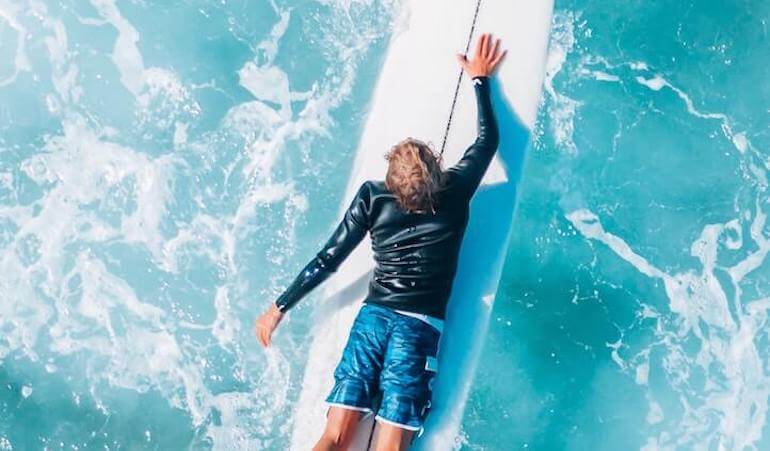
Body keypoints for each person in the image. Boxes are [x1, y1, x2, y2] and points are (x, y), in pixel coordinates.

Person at [255, 33, 505, 451]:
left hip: (372, 322)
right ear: (435, 172)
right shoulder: (456, 190)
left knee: (334, 437)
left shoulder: (373, 196)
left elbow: (329, 259)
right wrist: (480, 81)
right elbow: (486, 142)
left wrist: (277, 308)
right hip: (417, 329)